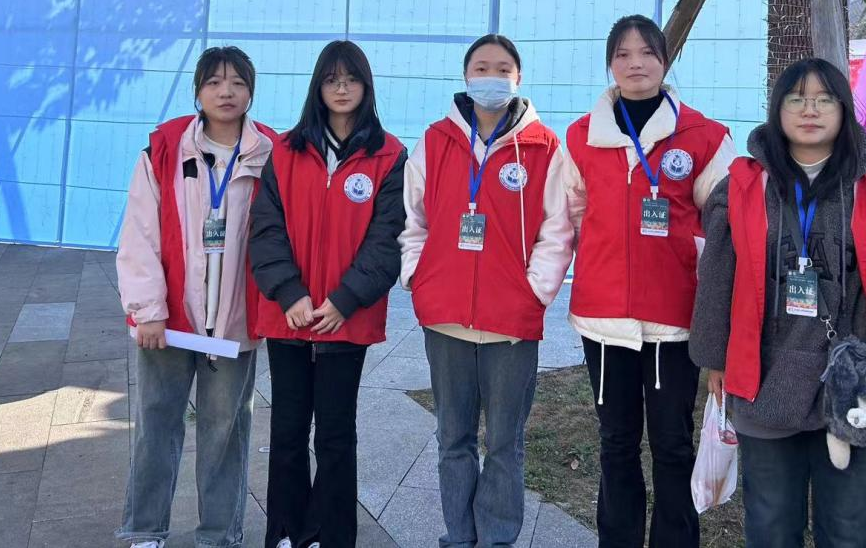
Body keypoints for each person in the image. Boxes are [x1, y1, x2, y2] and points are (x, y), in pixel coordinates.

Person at [689, 58, 866, 548]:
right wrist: (714, 357)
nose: (810, 110)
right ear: (777, 109)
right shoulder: (744, 186)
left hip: (854, 385)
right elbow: (717, 275)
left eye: (825, 99)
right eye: (797, 99)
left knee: (852, 529)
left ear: (843, 110)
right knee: (770, 526)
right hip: (764, 378)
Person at [563, 14, 737, 548]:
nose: (635, 63)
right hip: (603, 319)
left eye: (647, 53)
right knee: (615, 443)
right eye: (622, 54)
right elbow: (573, 213)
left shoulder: (704, 137)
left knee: (672, 446)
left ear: (665, 60)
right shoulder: (581, 137)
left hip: (674, 320)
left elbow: (726, 228)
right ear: (609, 65)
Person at [399, 33, 574, 548]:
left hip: (510, 322)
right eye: (481, 67)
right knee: (452, 439)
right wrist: (418, 277)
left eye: (502, 68)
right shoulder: (435, 141)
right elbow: (413, 218)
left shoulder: (544, 147)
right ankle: (459, 537)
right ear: (465, 76)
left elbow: (557, 229)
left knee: (503, 443)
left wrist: (534, 292)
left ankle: (497, 539)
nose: (491, 76)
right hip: (445, 316)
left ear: (518, 78)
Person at [116, 45, 275, 548]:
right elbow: (140, 234)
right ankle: (146, 529)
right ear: (197, 91)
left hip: (235, 323)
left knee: (226, 432)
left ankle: (218, 534)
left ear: (251, 91)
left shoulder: (272, 153)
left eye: (238, 83)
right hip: (169, 322)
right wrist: (148, 311)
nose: (226, 92)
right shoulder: (164, 149)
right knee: (155, 424)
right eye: (214, 82)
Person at [249, 41, 407, 548]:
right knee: (288, 431)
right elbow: (266, 229)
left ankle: (332, 534)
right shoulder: (285, 150)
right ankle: (288, 530)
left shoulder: (389, 155)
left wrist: (344, 300)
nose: (342, 88)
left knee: (336, 433)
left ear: (366, 86)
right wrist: (290, 293)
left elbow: (387, 239)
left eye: (351, 78)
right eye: (332, 79)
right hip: (291, 318)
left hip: (346, 318)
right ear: (318, 86)